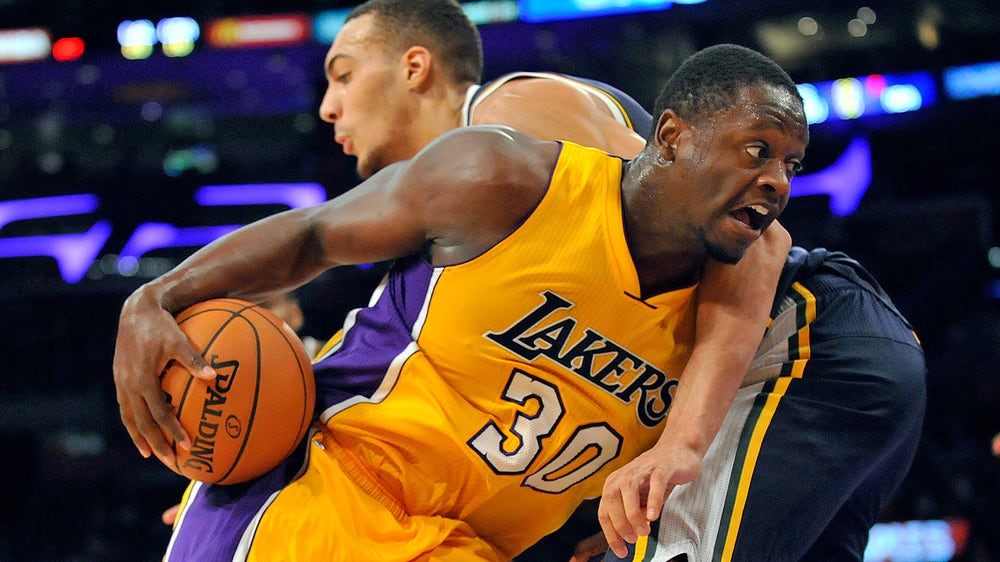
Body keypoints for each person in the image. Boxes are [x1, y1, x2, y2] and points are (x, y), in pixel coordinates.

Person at [113, 43, 807, 560]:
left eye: (790, 165)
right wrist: (157, 296)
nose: (777, 181)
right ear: (672, 135)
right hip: (325, 491)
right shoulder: (505, 178)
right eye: (756, 151)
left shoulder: (729, 324)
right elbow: (313, 236)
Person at [570, 257, 927, 559]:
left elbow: (765, 239)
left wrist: (681, 443)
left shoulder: (569, 196)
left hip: (810, 329)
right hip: (870, 348)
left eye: (790, 168)